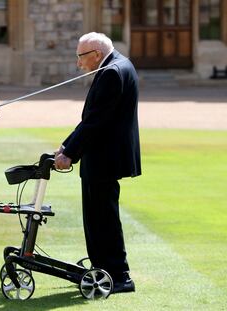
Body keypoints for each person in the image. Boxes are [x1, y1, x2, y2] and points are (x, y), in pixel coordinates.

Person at [54, 32, 141, 294]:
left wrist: (69, 152)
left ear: (96, 55)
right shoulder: (119, 65)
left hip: (104, 157)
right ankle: (103, 267)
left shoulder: (111, 72)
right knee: (98, 217)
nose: (78, 63)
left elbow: (96, 121)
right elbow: (94, 118)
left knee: (102, 218)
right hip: (103, 156)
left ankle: (117, 275)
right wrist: (66, 145)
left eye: (81, 57)